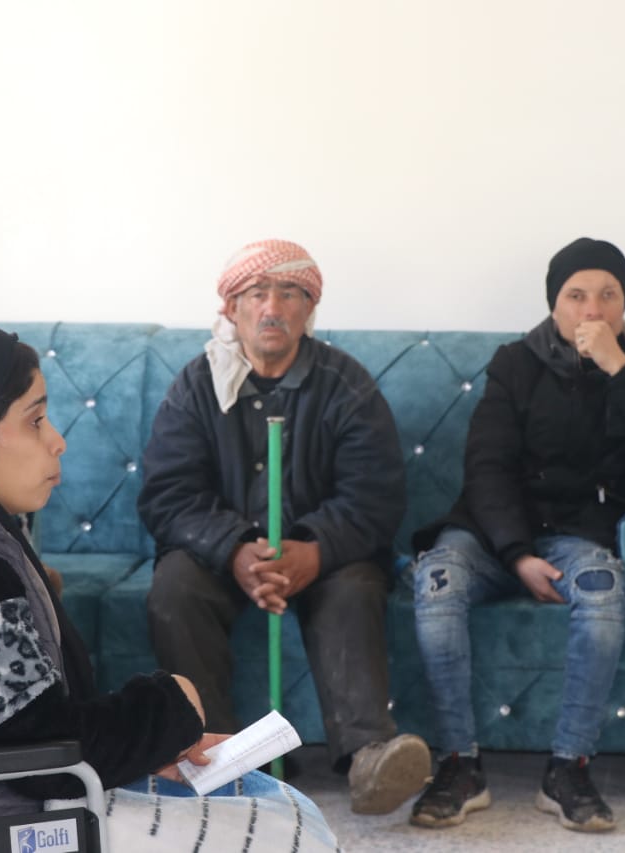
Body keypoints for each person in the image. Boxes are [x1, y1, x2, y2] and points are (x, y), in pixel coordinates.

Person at [0, 328, 339, 850]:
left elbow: (25, 726)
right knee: (289, 835)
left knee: (280, 805)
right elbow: (40, 752)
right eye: (36, 421)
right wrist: (174, 705)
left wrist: (152, 745)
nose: (58, 442)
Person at [409, 237, 625, 833]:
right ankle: (460, 765)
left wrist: (620, 370)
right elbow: (487, 467)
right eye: (576, 296)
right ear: (554, 304)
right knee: (436, 581)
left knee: (602, 593)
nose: (593, 310)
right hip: (492, 534)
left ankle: (569, 768)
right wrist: (517, 555)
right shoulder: (514, 364)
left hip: (580, 535)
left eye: (608, 295)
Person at [138, 239, 430, 815]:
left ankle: (369, 758)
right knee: (174, 589)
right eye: (257, 293)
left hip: (325, 552)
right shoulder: (196, 385)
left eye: (290, 293)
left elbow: (375, 495)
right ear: (232, 308)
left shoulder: (346, 385)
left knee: (354, 588)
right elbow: (167, 495)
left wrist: (313, 551)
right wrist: (235, 550)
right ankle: (217, 760)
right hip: (221, 553)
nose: (272, 307)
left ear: (309, 308)